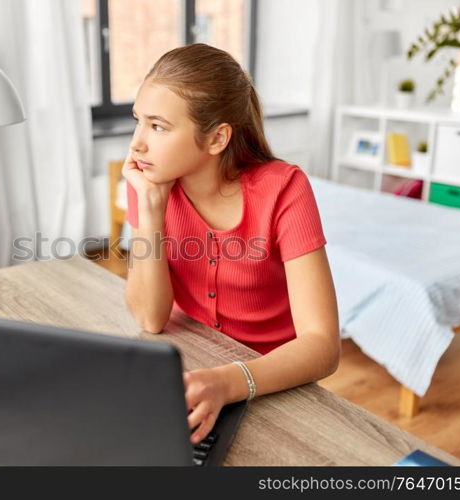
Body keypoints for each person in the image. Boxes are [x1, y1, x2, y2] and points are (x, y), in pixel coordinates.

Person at [122, 44, 340, 444]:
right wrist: (150, 213)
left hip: (275, 381)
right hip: (195, 368)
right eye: (138, 121)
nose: (136, 144)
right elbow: (150, 318)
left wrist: (228, 382)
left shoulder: (286, 189)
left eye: (158, 126)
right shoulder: (149, 185)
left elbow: (324, 346)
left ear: (217, 137)